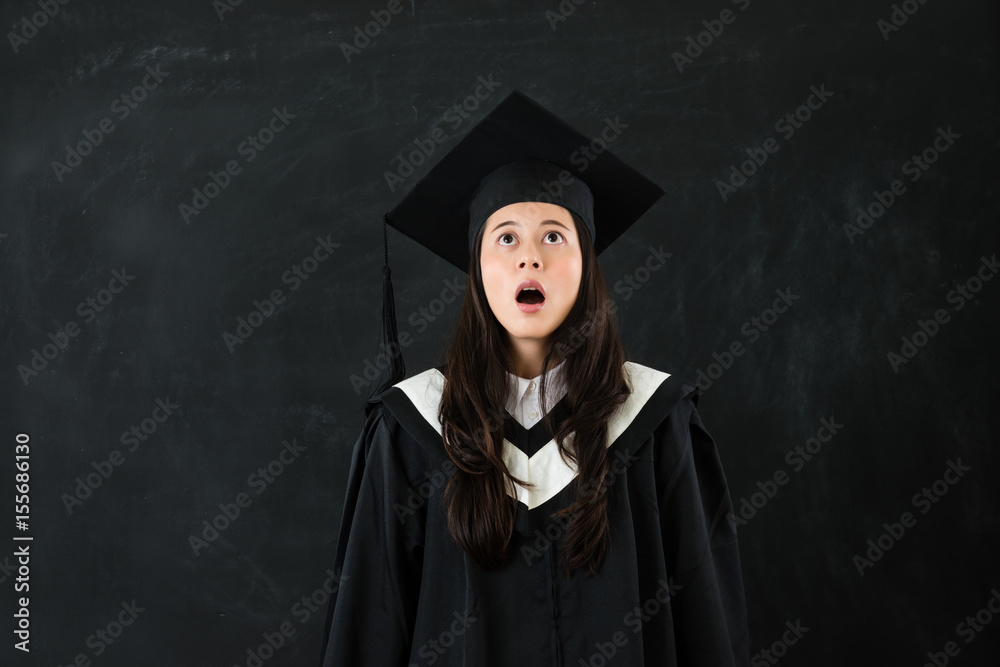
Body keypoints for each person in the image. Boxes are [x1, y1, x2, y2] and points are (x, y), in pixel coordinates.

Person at [320, 90, 750, 666]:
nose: (530, 259)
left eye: (554, 235)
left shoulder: (657, 420)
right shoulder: (411, 427)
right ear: (477, 266)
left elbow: (705, 622)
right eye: (506, 238)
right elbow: (368, 631)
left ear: (585, 262)